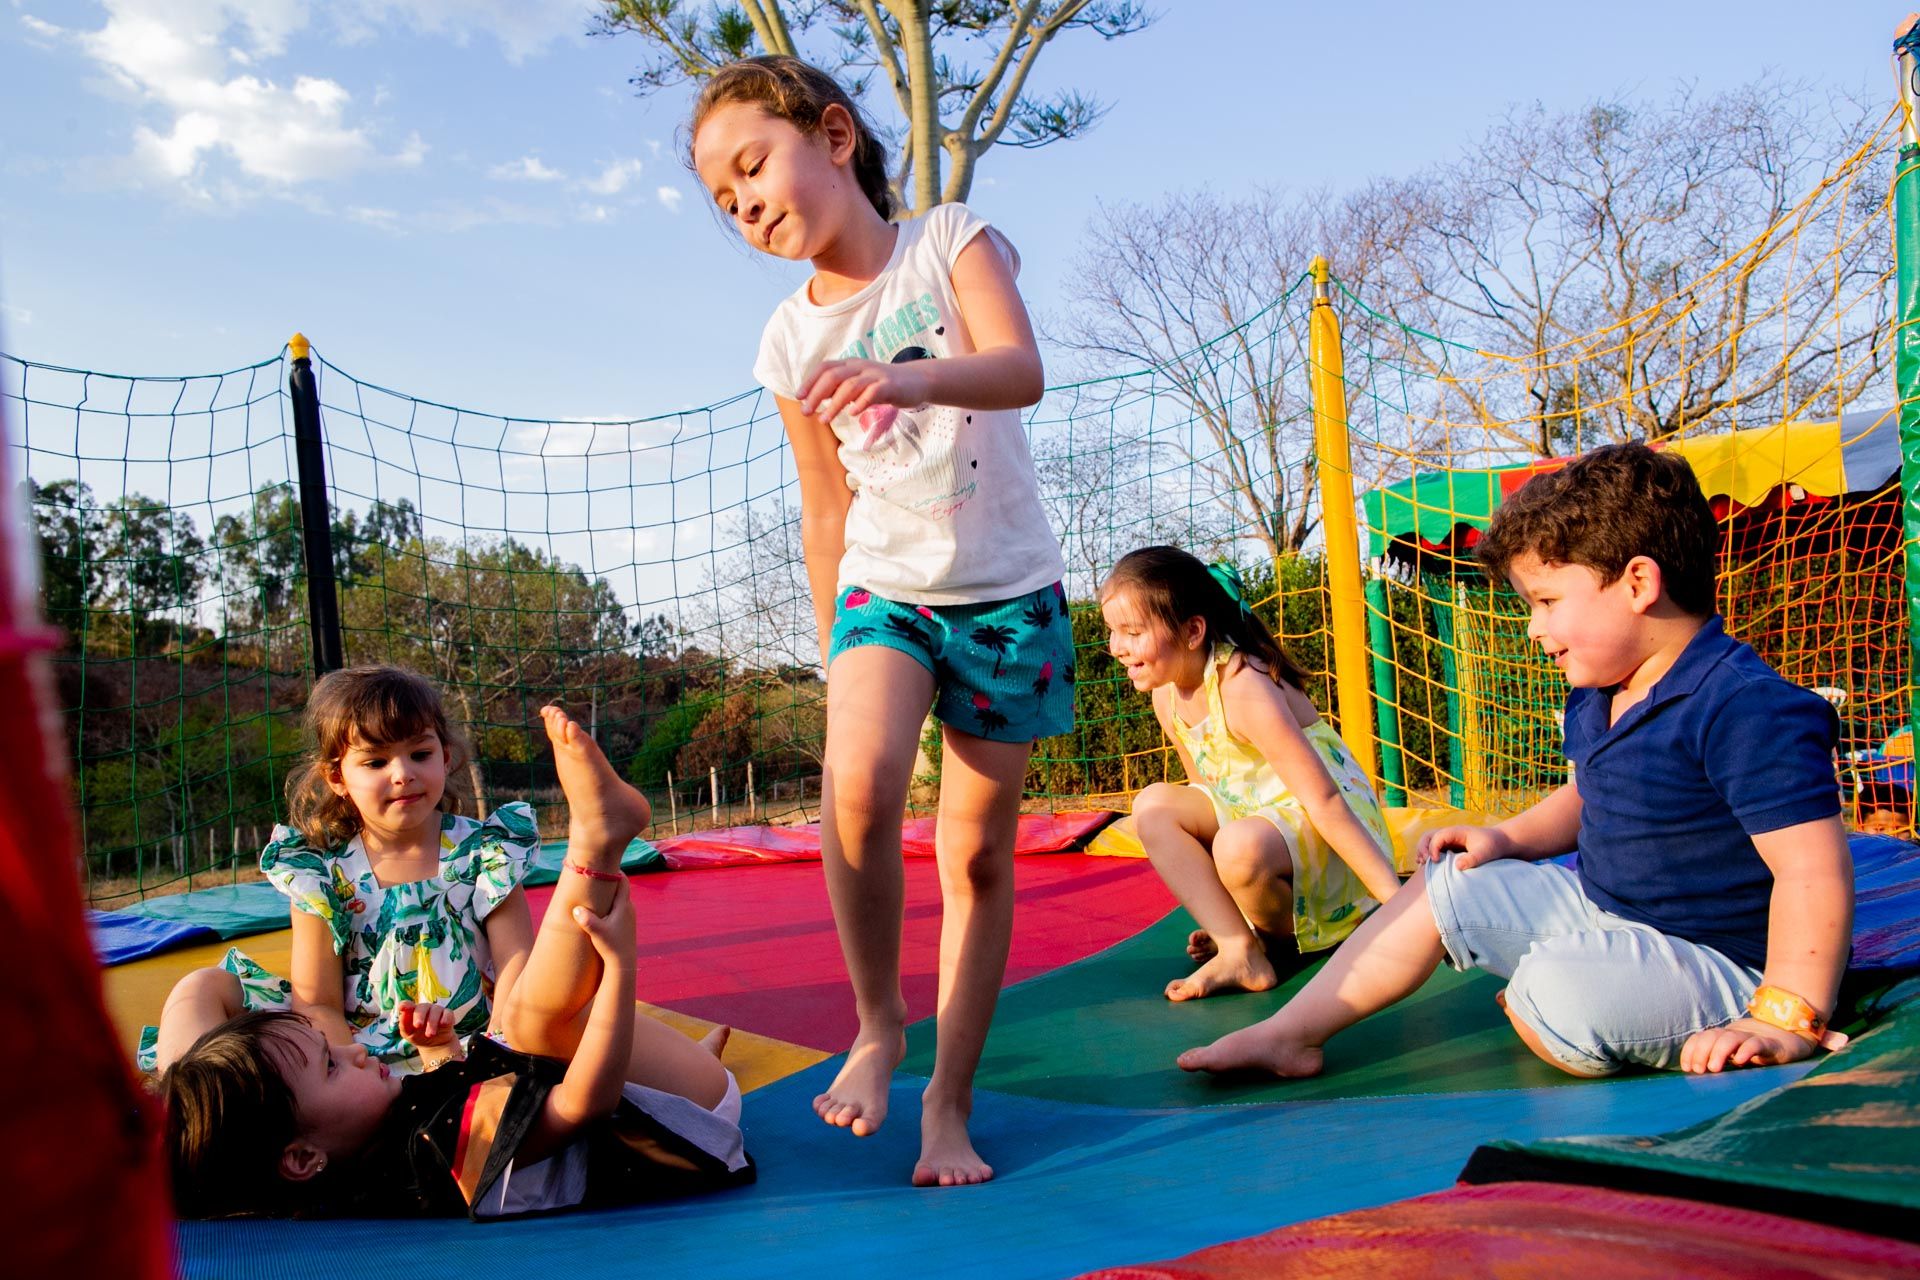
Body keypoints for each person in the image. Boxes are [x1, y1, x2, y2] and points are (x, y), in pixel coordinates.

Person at [689, 55, 1074, 1187]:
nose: (744, 203)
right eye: (723, 199)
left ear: (834, 136)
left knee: (978, 856)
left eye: (753, 166)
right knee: (854, 789)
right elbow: (825, 506)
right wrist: (835, 648)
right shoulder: (787, 342)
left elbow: (1020, 369)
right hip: (884, 588)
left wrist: (907, 380)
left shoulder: (949, 240)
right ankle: (878, 1023)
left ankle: (949, 1102)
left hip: (1007, 592)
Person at [1179, 443, 1855, 1080]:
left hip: (1721, 961)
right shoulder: (1602, 691)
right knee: (1447, 883)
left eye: (1547, 602)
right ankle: (1292, 1033)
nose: (1534, 628)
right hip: (1607, 911)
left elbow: (1812, 870)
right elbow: (1588, 795)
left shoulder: (1744, 706)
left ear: (1638, 582)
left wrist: (1786, 1015)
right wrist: (1506, 839)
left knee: (1557, 990)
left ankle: (1564, 999)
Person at [159, 705, 749, 1220]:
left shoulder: (381, 1146)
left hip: (616, 1082)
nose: (355, 1052)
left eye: (420, 753)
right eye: (332, 1067)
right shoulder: (429, 1148)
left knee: (525, 1022)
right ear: (336, 776)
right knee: (534, 1026)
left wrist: (440, 1052)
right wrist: (618, 969)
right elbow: (582, 1102)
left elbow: (507, 991)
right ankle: (596, 845)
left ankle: (185, 1113)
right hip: (681, 1119)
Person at [149, 665, 539, 1076]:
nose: (403, 774)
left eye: (420, 755)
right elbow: (318, 1003)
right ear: (337, 777)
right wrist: (351, 1077)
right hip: (352, 1055)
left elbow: (517, 963)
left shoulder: (487, 852)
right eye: (376, 762)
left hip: (471, 1045)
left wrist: (498, 1056)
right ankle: (193, 1092)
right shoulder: (322, 873)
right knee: (203, 986)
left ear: (445, 756)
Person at [1100, 548, 1402, 1002]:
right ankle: (1240, 947)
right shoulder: (1167, 695)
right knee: (1153, 806)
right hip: (1261, 830)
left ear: (1193, 631)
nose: (1116, 646)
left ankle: (1280, 940)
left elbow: (1324, 800)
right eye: (1112, 631)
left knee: (1237, 846)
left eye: (1133, 632)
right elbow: (1210, 795)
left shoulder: (1243, 686)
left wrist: (1399, 907)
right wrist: (1234, 915)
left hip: (1331, 834)